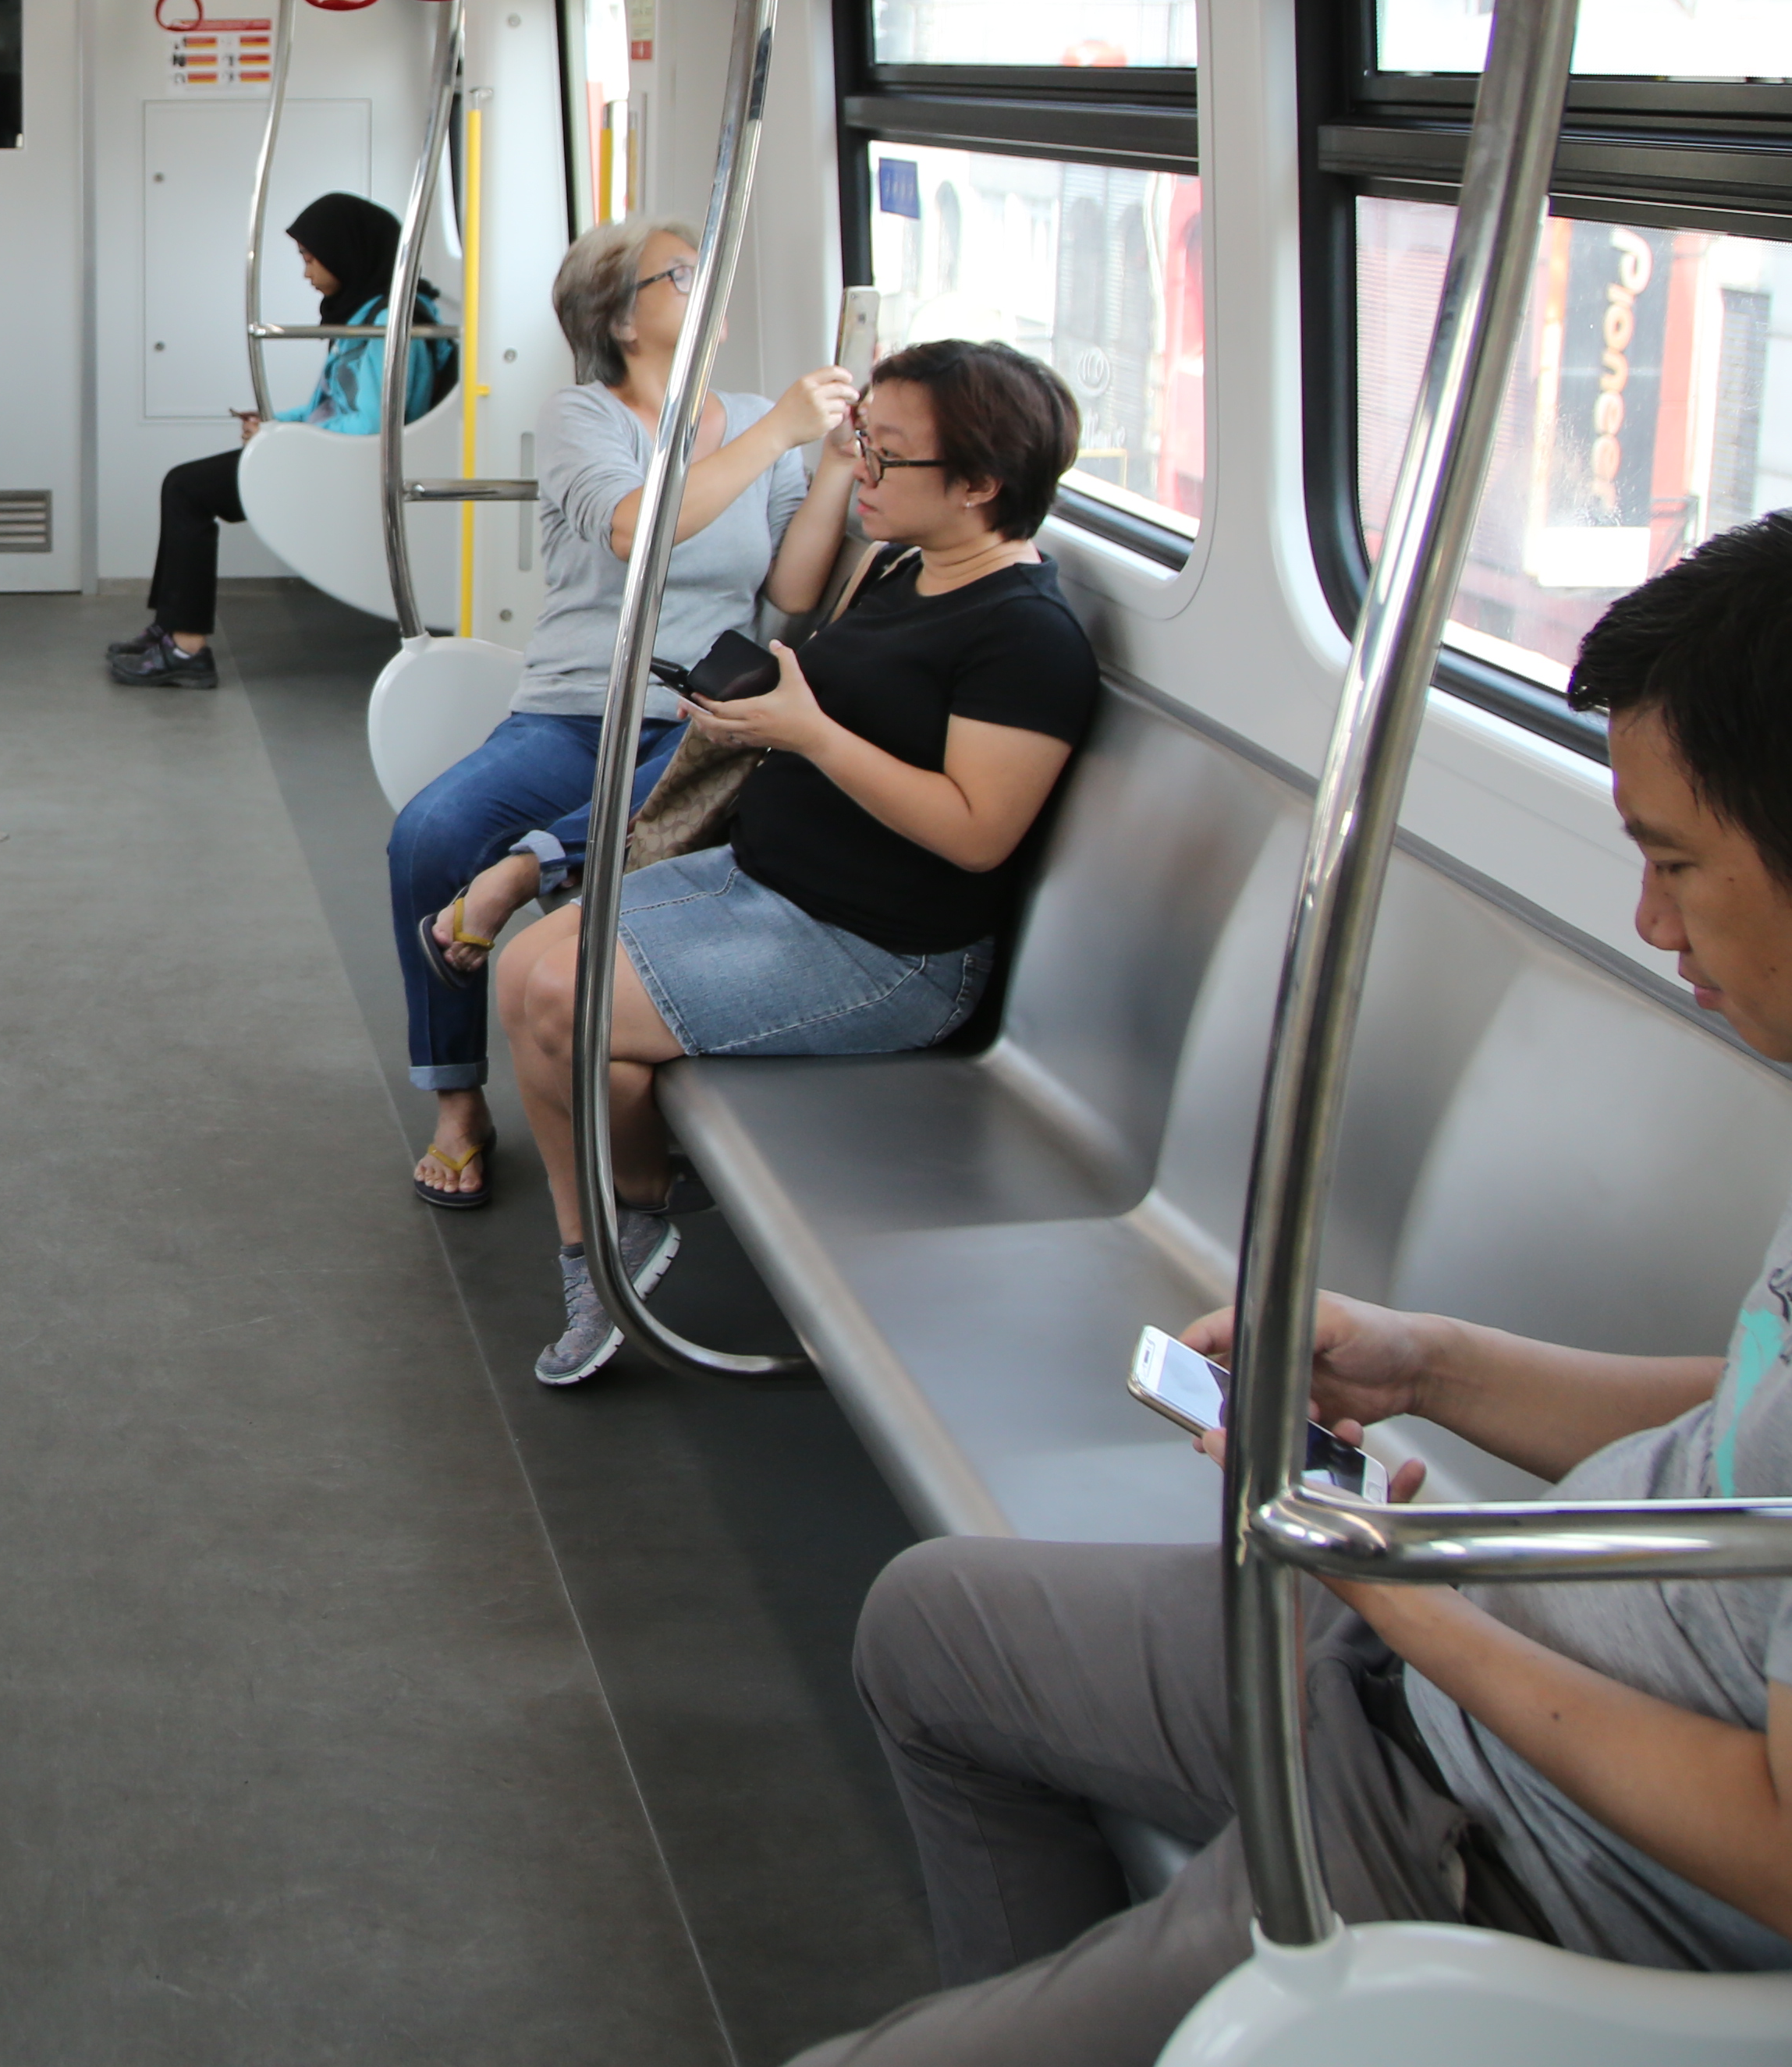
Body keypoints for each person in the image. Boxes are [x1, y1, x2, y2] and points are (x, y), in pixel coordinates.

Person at [800, 507, 1792, 2066]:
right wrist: (1427, 1368)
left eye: (1675, 863)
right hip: (1465, 1662)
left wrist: (1400, 1588)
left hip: (1511, 1857)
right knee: (933, 1631)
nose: (1654, 923)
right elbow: (1790, 1419)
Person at [487, 340, 1097, 1384]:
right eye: (862, 438)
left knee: (568, 1004)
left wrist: (809, 733)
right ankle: (622, 1223)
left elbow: (973, 831)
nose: (859, 464)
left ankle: (613, 1234)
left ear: (981, 486)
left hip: (880, 950)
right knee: (521, 975)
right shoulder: (899, 566)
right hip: (763, 880)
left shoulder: (1025, 639)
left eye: (886, 454)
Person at [385, 219, 843, 1210]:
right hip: (574, 708)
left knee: (669, 784)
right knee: (428, 835)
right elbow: (640, 527)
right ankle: (456, 1102)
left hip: (693, 715)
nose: (705, 285)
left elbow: (797, 588)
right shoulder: (582, 420)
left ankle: (527, 870)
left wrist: (836, 464)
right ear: (622, 318)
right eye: (682, 275)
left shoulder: (765, 422)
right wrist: (780, 436)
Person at [110, 188, 457, 690]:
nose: (306, 273)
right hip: (330, 452)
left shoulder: (388, 325)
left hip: (351, 466)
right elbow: (330, 404)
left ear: (347, 253)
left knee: (187, 489)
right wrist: (273, 426)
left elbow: (369, 427)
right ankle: (171, 628)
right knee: (183, 485)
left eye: (311, 259)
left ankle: (185, 649)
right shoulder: (367, 312)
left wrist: (283, 434)